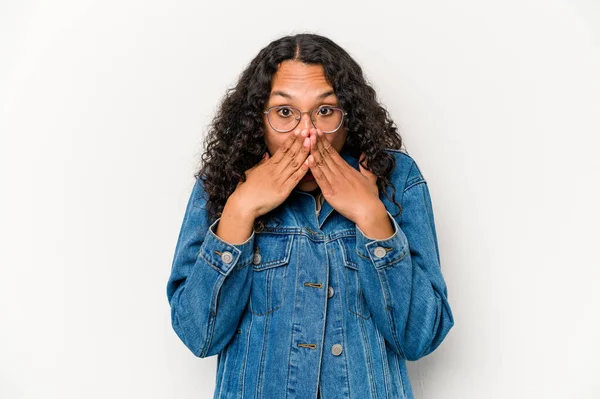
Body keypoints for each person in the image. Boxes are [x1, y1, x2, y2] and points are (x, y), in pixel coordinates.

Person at [166, 33, 454, 399]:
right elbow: (198, 336)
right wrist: (240, 211)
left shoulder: (397, 178)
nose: (307, 133)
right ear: (258, 117)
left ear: (348, 115)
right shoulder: (223, 181)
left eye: (325, 111)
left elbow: (420, 337)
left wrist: (371, 216)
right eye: (285, 112)